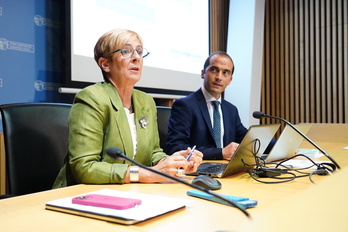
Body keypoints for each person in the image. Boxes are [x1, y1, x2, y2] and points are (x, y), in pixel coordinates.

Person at [53, 28, 202, 188]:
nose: (136, 58)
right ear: (105, 64)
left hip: (131, 191)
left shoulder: (146, 101)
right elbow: (85, 168)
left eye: (139, 51)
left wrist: (172, 162)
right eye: (126, 51)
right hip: (83, 195)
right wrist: (148, 174)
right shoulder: (92, 98)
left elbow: (153, 153)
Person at [166, 51, 248, 160]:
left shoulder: (231, 110)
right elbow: (175, 148)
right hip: (197, 172)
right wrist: (221, 153)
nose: (219, 77)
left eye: (225, 73)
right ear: (203, 73)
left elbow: (247, 140)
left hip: (226, 170)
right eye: (214, 70)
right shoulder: (185, 105)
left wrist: (277, 144)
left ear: (230, 80)